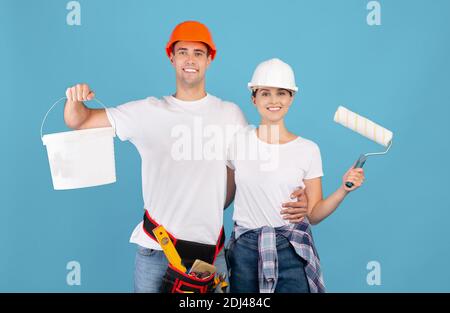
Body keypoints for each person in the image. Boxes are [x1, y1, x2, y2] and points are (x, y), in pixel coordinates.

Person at [63, 22, 309, 292]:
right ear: (172, 57)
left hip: (211, 257)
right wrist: (74, 100)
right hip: (157, 252)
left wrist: (298, 194)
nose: (190, 59)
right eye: (183, 52)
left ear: (209, 59)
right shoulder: (147, 112)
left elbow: (255, 168)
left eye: (198, 53)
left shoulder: (230, 115)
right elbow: (80, 120)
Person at [226, 58, 365, 293]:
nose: (273, 101)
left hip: (291, 248)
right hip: (245, 250)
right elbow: (224, 198)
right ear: (254, 98)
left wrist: (344, 189)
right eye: (265, 93)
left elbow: (314, 214)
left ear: (291, 98)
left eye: (281, 93)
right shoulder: (237, 141)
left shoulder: (307, 150)